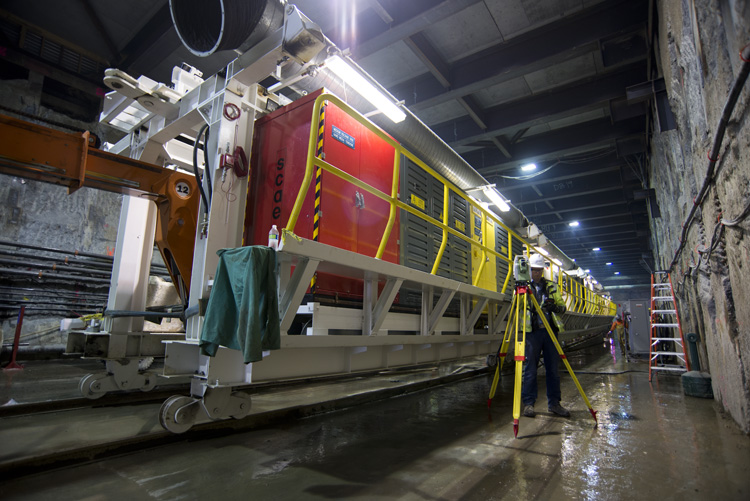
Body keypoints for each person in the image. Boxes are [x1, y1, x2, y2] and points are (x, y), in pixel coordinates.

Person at [521, 253, 570, 418]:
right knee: (530, 370)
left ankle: (554, 404)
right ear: (529, 270)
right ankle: (528, 404)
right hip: (532, 333)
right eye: (534, 270)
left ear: (543, 270)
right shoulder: (524, 287)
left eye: (539, 270)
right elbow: (516, 307)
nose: (536, 273)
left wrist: (554, 307)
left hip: (550, 332)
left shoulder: (552, 287)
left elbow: (563, 308)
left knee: (553, 370)